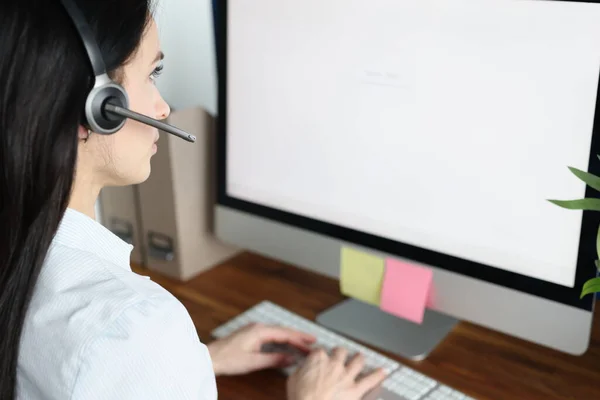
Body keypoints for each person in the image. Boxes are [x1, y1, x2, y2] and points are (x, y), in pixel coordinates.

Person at [0, 1, 388, 399]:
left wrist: (194, 362)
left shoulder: (23, 257)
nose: (162, 108)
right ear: (97, 109)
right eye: (152, 74)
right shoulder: (131, 327)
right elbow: (109, 354)